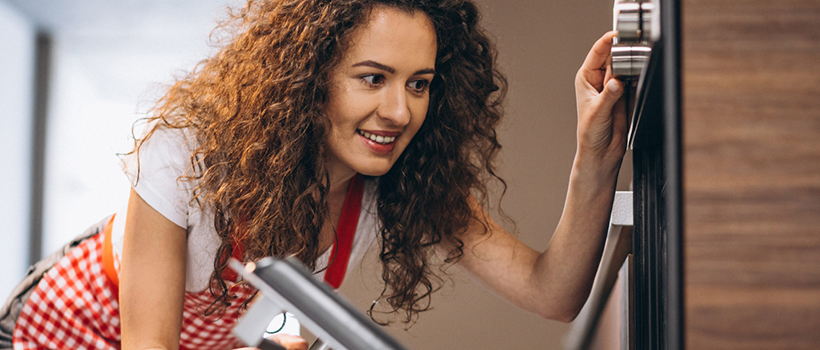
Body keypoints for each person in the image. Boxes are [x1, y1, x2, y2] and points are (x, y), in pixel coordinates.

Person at [0, 0, 627, 349]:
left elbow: (552, 292)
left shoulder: (397, 186)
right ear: (309, 78)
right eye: (372, 78)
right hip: (59, 328)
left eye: (419, 85)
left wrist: (595, 151)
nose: (399, 111)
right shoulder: (185, 154)